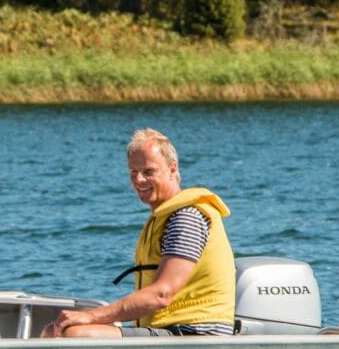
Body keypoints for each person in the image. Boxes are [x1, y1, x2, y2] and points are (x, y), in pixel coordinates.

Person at [44, 128, 235, 338]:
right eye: (133, 172)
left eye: (148, 171)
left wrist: (90, 316)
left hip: (194, 333)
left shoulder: (186, 218)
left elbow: (162, 295)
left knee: (73, 334)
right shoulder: (163, 218)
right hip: (169, 330)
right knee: (55, 329)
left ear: (172, 170)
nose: (139, 180)